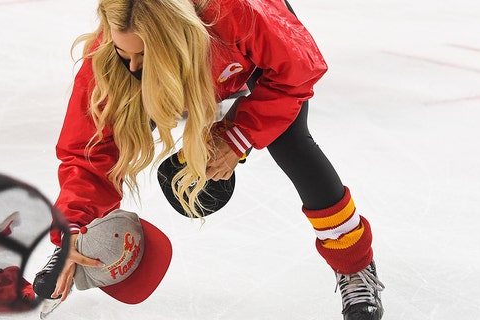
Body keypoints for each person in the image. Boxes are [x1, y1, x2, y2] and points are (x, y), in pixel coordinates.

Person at [36, 0, 385, 319]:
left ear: (176, 38)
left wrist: (237, 137)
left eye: (144, 55)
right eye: (123, 51)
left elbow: (297, 72)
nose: (133, 67)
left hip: (247, 55)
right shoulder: (111, 58)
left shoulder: (240, 14)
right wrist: (72, 229)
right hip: (198, 63)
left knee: (291, 143)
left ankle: (354, 266)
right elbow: (87, 154)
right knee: (121, 115)